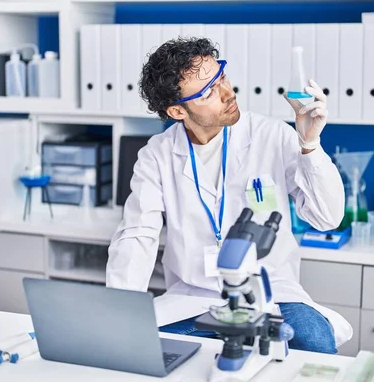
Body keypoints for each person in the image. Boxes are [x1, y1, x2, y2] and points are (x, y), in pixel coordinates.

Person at [106, 37, 351, 353]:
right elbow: (137, 235)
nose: (227, 93)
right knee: (152, 352)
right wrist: (121, 312)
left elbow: (326, 218)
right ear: (177, 110)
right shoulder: (158, 155)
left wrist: (310, 143)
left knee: (314, 342)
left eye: (221, 77)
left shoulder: (271, 135)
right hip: (194, 297)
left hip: (272, 291)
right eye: (208, 91)